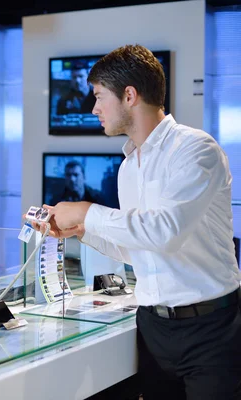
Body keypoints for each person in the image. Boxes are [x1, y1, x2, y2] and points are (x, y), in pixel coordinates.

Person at [32, 44, 241, 399]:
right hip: (153, 329)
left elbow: (164, 233)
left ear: (129, 95)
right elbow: (139, 249)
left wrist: (86, 211)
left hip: (211, 331)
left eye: (99, 97)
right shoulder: (128, 166)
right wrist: (82, 231)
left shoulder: (196, 150)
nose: (94, 108)